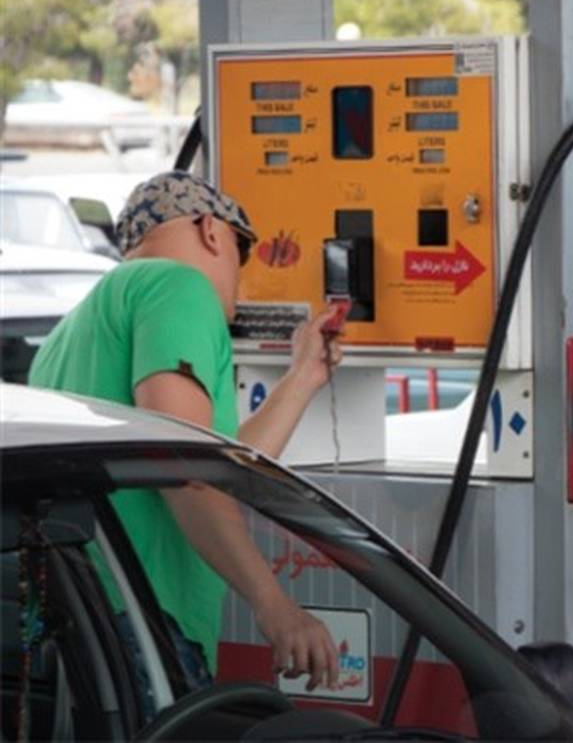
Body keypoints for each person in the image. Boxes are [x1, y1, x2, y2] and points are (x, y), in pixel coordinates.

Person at [29, 171, 346, 695]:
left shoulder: (67, 335)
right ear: (210, 231)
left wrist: (302, 377)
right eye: (241, 254)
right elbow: (183, 469)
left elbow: (216, 472)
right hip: (140, 622)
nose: (241, 281)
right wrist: (275, 606)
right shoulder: (178, 286)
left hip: (76, 624)